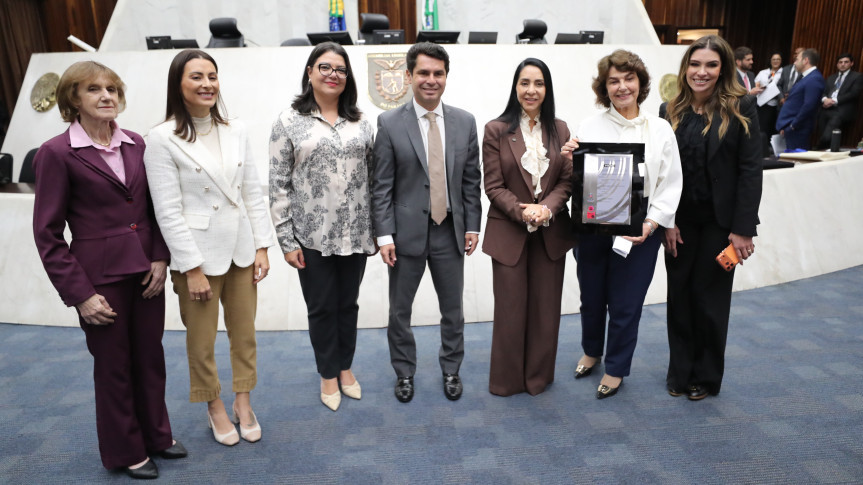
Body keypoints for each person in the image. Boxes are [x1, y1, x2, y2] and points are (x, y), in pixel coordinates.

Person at [32, 61, 186, 479]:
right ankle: (127, 450)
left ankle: (158, 435)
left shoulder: (136, 143)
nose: (106, 97)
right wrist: (80, 294)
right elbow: (47, 233)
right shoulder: (56, 153)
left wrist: (160, 257)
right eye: (93, 89)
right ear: (73, 100)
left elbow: (154, 210)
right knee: (114, 365)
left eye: (112, 89)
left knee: (150, 358)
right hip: (99, 278)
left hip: (146, 271)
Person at [144, 50, 273, 445]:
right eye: (196, 77)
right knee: (201, 341)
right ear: (178, 85)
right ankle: (214, 405)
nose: (207, 84)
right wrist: (191, 266)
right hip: (197, 256)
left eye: (212, 76)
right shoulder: (161, 138)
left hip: (240, 249)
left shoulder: (237, 128)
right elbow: (167, 211)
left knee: (244, 333)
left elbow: (253, 190)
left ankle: (243, 402)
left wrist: (263, 245)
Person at [371, 42, 483, 403]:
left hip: (450, 233)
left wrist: (472, 226)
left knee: (454, 311)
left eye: (438, 73)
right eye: (423, 73)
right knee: (399, 312)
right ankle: (404, 373)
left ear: (446, 77)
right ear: (408, 76)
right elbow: (381, 185)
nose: (430, 80)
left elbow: (471, 180)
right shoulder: (389, 123)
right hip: (405, 236)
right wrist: (384, 234)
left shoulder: (465, 122)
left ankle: (452, 368)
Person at [568, 50, 682, 399]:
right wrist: (568, 158)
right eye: (613, 81)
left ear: (640, 83)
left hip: (639, 224)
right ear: (604, 87)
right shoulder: (588, 126)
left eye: (628, 79)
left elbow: (670, 182)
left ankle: (616, 367)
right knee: (591, 296)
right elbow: (577, 181)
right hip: (594, 222)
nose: (622, 87)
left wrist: (650, 225)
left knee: (626, 302)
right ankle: (591, 350)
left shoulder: (660, 128)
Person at [269, 42, 374, 412]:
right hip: (311, 236)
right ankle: (327, 373)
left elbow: (374, 178)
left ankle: (346, 368)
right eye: (325, 67)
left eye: (340, 70)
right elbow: (278, 183)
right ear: (310, 72)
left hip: (357, 233)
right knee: (321, 307)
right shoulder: (288, 121)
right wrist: (285, 240)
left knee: (348, 304)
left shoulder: (361, 122)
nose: (333, 74)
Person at [661, 35, 762, 400]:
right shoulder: (668, 109)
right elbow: (661, 172)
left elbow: (751, 170)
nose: (701, 72)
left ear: (723, 69)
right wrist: (665, 221)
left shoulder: (742, 107)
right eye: (695, 64)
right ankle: (680, 370)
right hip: (679, 222)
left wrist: (743, 229)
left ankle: (705, 376)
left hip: (721, 224)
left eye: (711, 65)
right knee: (680, 295)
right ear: (686, 66)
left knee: (710, 300)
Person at [482, 58, 577, 396]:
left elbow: (566, 183)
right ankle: (507, 381)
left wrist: (546, 209)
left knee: (545, 311)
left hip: (550, 233)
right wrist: (524, 212)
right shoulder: (496, 129)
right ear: (515, 87)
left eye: (538, 83)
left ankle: (537, 378)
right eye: (525, 83)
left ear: (547, 89)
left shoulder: (561, 129)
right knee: (510, 312)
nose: (531, 90)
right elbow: (492, 186)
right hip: (509, 233)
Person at [776, 48, 824, 151]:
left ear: (805, 60)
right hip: (793, 128)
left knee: (796, 162)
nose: (794, 63)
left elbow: (809, 106)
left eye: (797, 59)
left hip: (798, 129)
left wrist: (793, 125)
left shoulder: (814, 78)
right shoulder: (806, 77)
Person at [816, 53, 863, 149]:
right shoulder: (831, 77)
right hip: (825, 109)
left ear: (852, 63)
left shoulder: (857, 76)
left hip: (841, 111)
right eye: (840, 62)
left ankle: (817, 149)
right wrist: (825, 100)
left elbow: (854, 93)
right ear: (837, 64)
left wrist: (833, 101)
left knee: (827, 137)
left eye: (846, 62)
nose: (843, 64)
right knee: (823, 135)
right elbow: (823, 92)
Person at [754, 52, 783, 156]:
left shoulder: (783, 72)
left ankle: (769, 151)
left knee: (771, 128)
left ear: (781, 61)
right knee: (761, 128)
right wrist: (759, 86)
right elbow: (755, 83)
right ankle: (760, 150)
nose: (775, 61)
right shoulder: (763, 72)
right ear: (770, 61)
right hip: (761, 103)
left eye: (778, 59)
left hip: (774, 104)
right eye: (773, 59)